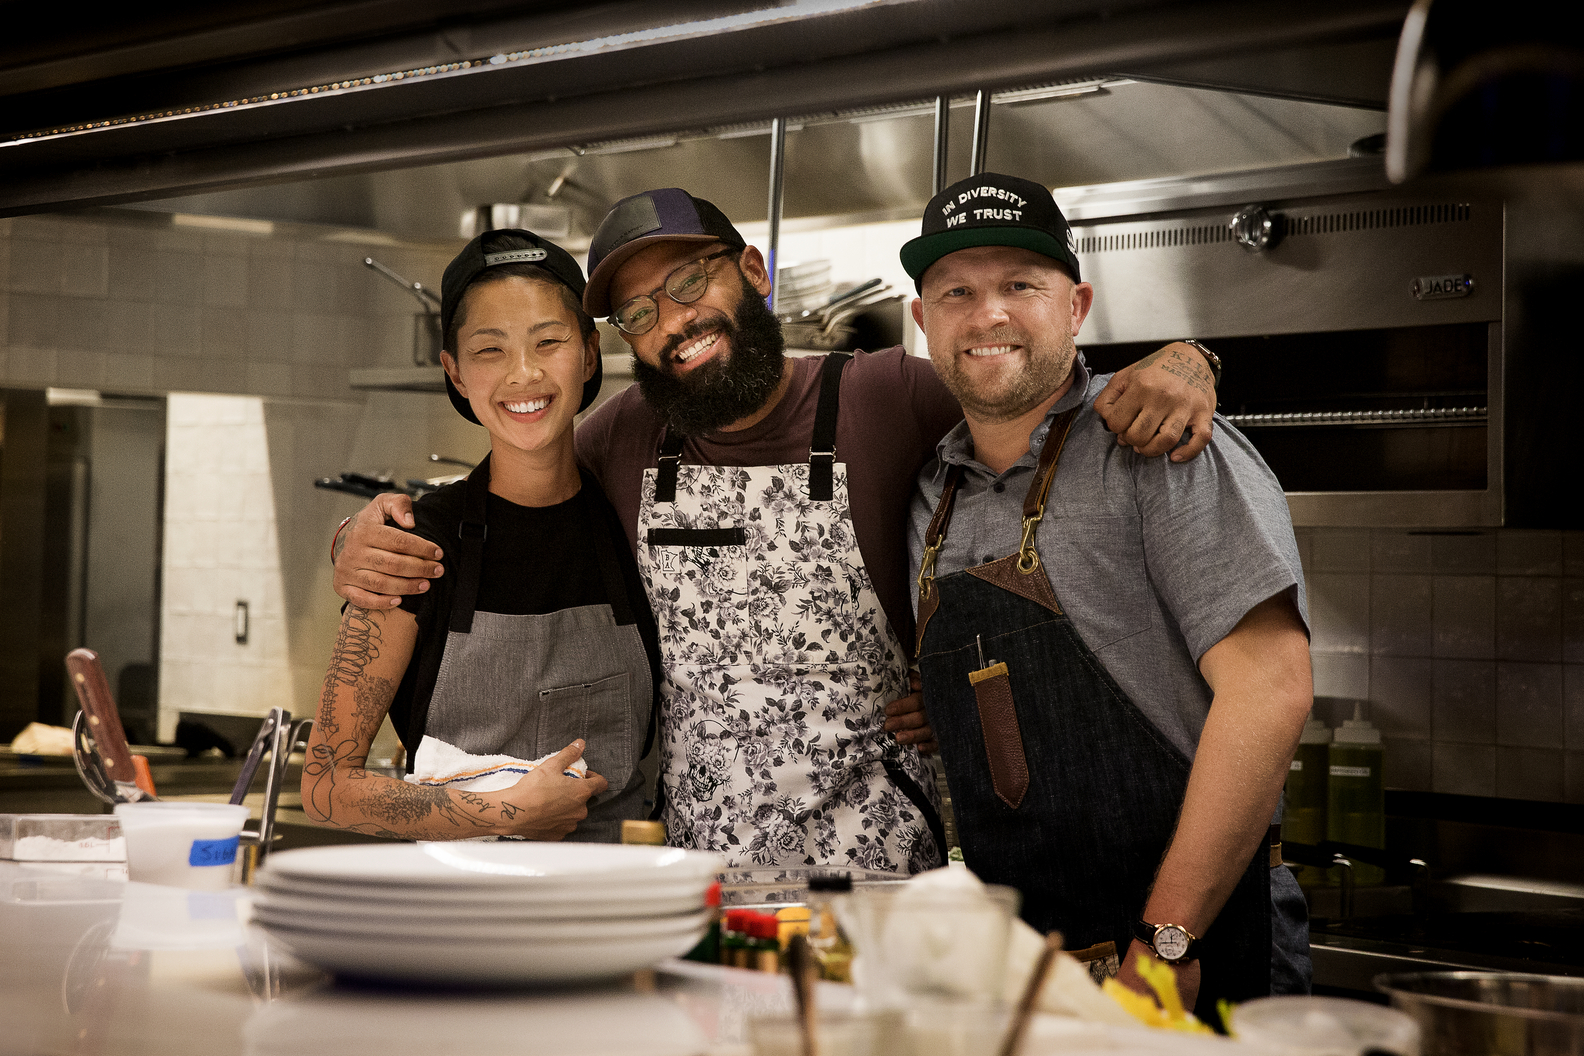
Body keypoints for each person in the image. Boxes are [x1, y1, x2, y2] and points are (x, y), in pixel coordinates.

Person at [331, 188, 1220, 871]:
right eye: (639, 312)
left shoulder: (885, 396)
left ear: (752, 272)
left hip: (881, 880)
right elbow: (516, 473)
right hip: (697, 890)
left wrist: (1188, 360)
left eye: (690, 282)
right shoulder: (623, 440)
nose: (673, 320)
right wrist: (352, 537)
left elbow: (1024, 386)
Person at [904, 173, 1313, 1018]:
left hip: (1186, 945)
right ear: (923, 321)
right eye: (958, 292)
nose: (989, 315)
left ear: (1077, 304)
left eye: (1021, 284)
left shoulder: (1161, 445)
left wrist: (1168, 943)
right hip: (1023, 960)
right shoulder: (929, 492)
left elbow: (1271, 687)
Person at [302, 228, 661, 844]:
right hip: (461, 914)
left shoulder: (637, 519)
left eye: (549, 342)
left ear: (591, 353)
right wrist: (504, 814)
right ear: (456, 373)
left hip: (610, 907)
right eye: (489, 350)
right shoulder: (412, 547)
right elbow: (326, 787)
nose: (524, 374)